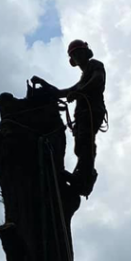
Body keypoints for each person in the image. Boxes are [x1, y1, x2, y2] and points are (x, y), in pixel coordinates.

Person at [31, 39, 106, 196]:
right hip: (81, 116)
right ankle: (81, 175)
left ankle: (84, 179)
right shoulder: (82, 79)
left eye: (79, 53)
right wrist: (43, 84)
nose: (77, 57)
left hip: (92, 112)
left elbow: (98, 80)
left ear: (85, 53)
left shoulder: (95, 65)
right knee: (80, 145)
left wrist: (80, 93)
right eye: (74, 55)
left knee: (85, 143)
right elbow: (61, 93)